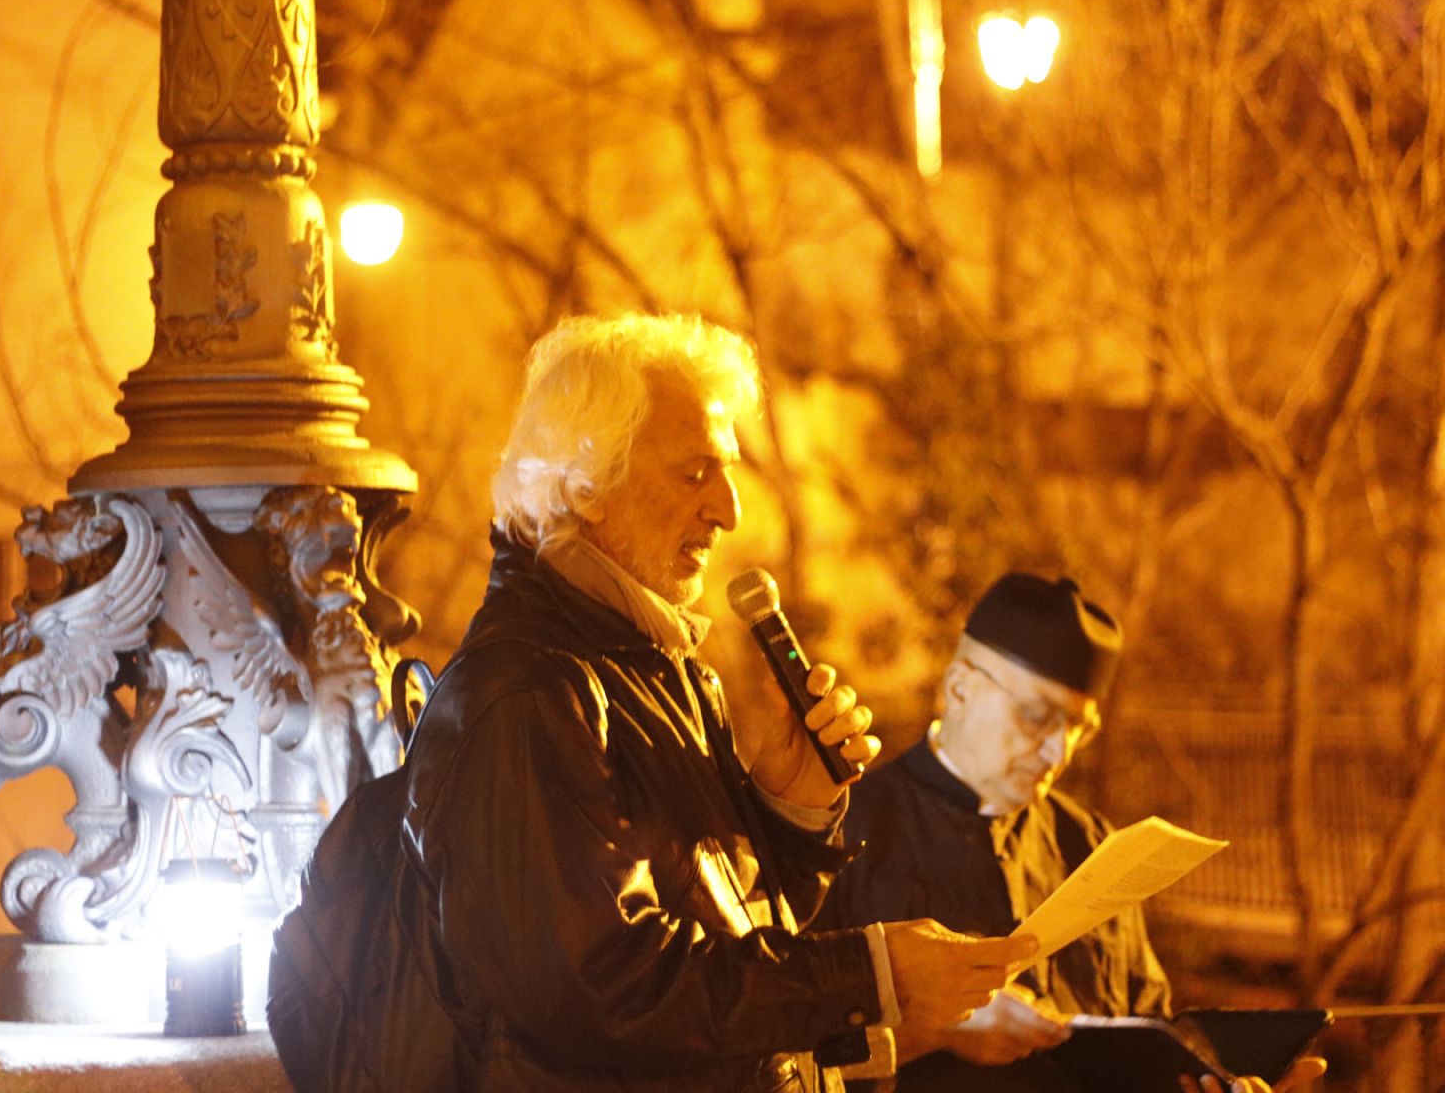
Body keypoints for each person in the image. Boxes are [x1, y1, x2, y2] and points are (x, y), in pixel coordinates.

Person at [399, 312, 1032, 1092]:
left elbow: (729, 946)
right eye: (695, 473)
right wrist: (871, 974)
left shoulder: (658, 669)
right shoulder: (526, 695)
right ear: (586, 487)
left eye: (726, 472)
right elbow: (605, 992)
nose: (729, 510)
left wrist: (789, 812)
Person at [821, 573, 1326, 1093]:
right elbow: (783, 1054)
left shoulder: (1090, 843)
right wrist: (931, 1032)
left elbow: (1145, 1028)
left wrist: (1210, 1077)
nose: (1057, 752)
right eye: (1036, 716)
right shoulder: (839, 837)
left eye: (1079, 730)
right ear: (960, 689)